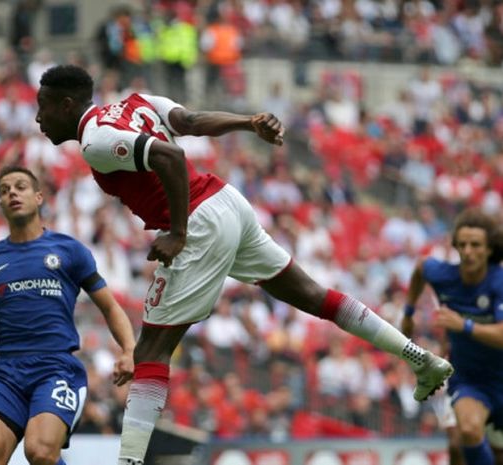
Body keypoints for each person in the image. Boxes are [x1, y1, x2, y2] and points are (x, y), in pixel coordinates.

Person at [35, 65, 454, 465]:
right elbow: (192, 121)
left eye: (44, 107)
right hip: (226, 203)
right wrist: (247, 122)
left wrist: (178, 232)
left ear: (67, 104)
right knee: (313, 296)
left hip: (199, 223)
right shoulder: (134, 103)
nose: (38, 118)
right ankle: (421, 359)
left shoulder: (95, 139)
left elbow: (170, 157)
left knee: (150, 352)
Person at [0, 166, 136, 465]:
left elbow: (111, 307)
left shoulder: (69, 250)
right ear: (0, 204)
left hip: (56, 369)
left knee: (39, 452)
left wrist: (129, 350)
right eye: (4, 190)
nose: (12, 192)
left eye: (20, 186)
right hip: (7, 373)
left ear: (38, 197)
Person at [402, 208, 503, 465]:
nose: (468, 251)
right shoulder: (443, 275)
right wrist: (408, 313)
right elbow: (421, 268)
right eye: (463, 244)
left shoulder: (499, 283)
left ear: (490, 249)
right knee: (464, 434)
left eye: (476, 245)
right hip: (471, 380)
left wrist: (464, 326)